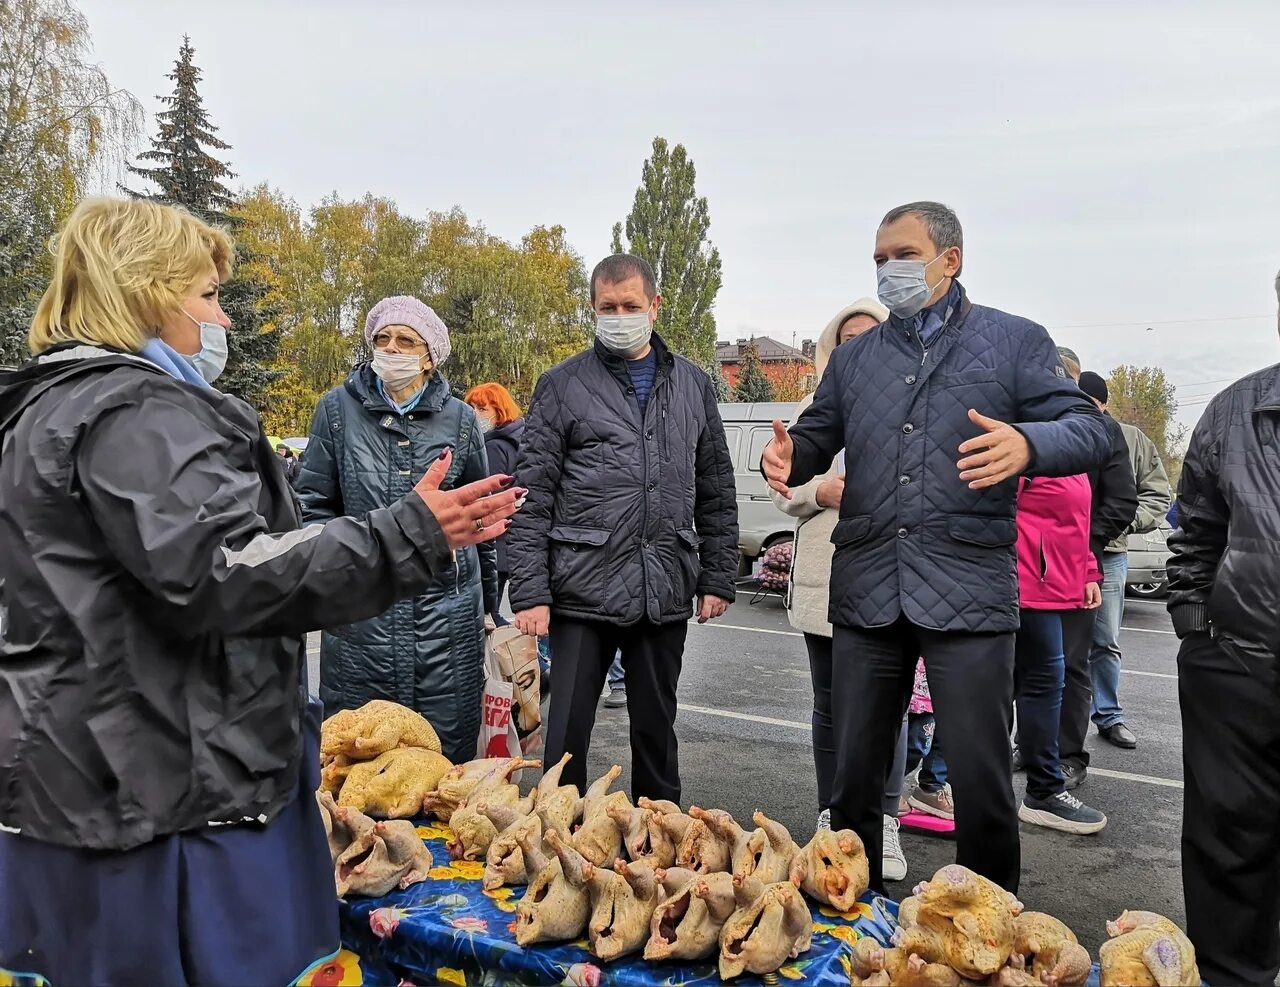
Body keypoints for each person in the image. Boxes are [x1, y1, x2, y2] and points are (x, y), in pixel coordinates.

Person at [0, 198, 520, 985]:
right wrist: (410, 531)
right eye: (207, 295)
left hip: (76, 781)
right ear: (145, 290)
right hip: (169, 797)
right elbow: (227, 570)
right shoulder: (137, 411)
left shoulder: (40, 407)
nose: (222, 319)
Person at [761, 201, 1109, 893]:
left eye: (903, 254)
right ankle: (850, 919)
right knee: (854, 777)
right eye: (879, 258)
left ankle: (988, 924)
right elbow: (817, 437)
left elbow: (1093, 432)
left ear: (950, 259)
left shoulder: (1013, 342)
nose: (889, 269)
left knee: (981, 781)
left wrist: (1028, 443)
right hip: (868, 589)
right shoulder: (857, 359)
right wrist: (790, 456)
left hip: (968, 590)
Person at [508, 253, 739, 801]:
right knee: (565, 736)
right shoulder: (561, 384)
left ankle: (658, 844)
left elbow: (714, 485)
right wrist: (530, 591)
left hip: (661, 588)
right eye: (607, 307)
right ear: (593, 308)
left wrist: (719, 576)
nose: (619, 315)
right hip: (580, 589)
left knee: (657, 732)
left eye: (630, 305)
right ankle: (556, 840)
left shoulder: (693, 384)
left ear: (654, 306)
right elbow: (531, 494)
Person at [297, 296, 500, 763]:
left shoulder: (461, 420)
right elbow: (313, 508)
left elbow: (480, 516)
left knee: (442, 774)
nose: (391, 348)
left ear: (429, 354)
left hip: (444, 623)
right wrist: (349, 564)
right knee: (356, 770)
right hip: (363, 620)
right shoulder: (336, 411)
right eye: (382, 339)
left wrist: (491, 604)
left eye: (406, 340)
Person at [770, 296, 912, 881]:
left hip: (890, 575)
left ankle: (884, 819)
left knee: (890, 709)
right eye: (847, 340)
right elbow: (784, 487)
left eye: (869, 337)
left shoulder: (911, 401)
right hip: (825, 574)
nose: (858, 348)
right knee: (828, 705)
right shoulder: (815, 405)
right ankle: (832, 814)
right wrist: (819, 492)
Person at [1166, 268, 1280, 987]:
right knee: (1232, 847)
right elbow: (1197, 533)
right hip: (1241, 666)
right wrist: (1198, 633)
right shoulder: (1238, 412)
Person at [1074, 370, 1171, 750]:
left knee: (1105, 640)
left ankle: (1109, 716)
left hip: (1109, 555)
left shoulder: (1132, 439)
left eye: (1091, 402)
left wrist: (1121, 522)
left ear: (1103, 403)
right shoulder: (1058, 430)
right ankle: (1046, 733)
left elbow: (1158, 494)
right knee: (1055, 647)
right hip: (1059, 555)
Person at [1012, 473, 1108, 833]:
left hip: (1048, 587)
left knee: (1048, 683)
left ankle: (1043, 791)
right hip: (1018, 584)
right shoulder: (1025, 430)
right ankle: (940, 785)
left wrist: (1086, 569)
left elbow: (1074, 519)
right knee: (995, 688)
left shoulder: (1067, 441)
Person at [464, 382, 526, 624]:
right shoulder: (519, 442)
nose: (475, 415)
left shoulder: (492, 446)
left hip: (496, 539)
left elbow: (489, 493)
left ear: (499, 412)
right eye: (471, 408)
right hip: (516, 539)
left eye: (482, 409)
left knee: (487, 613)